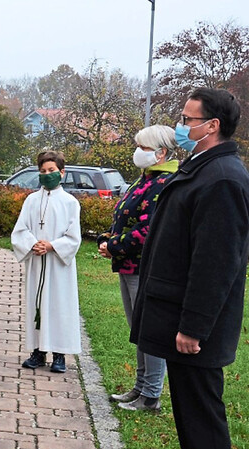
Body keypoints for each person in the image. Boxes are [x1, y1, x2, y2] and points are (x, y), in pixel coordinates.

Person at [130, 88, 249, 448]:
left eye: (187, 120)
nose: (180, 126)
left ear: (211, 126)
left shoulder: (222, 178)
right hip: (178, 317)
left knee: (202, 422)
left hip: (196, 333)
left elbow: (216, 263)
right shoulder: (203, 169)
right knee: (192, 417)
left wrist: (193, 328)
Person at [97, 125, 178, 411]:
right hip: (129, 265)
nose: (138, 152)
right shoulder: (144, 179)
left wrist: (115, 245)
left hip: (146, 265)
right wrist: (107, 239)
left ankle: (151, 395)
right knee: (138, 330)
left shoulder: (163, 183)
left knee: (149, 331)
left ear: (161, 153)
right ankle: (140, 387)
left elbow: (149, 227)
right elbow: (123, 215)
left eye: (143, 148)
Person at [11, 150, 81, 373]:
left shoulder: (70, 203)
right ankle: (38, 351)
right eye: (42, 171)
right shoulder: (31, 200)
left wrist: (52, 245)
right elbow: (20, 230)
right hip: (37, 261)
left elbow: (74, 237)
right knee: (37, 304)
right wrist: (33, 244)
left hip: (58, 265)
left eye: (51, 171)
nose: (47, 174)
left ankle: (59, 354)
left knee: (59, 305)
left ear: (62, 173)